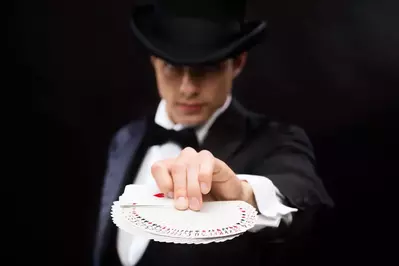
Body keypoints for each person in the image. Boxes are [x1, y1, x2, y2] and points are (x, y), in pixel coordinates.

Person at [93, 1, 334, 266]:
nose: (188, 88)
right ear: (154, 62)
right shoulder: (126, 139)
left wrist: (244, 195)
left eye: (206, 68)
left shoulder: (278, 141)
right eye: (172, 68)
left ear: (237, 63)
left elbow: (304, 198)